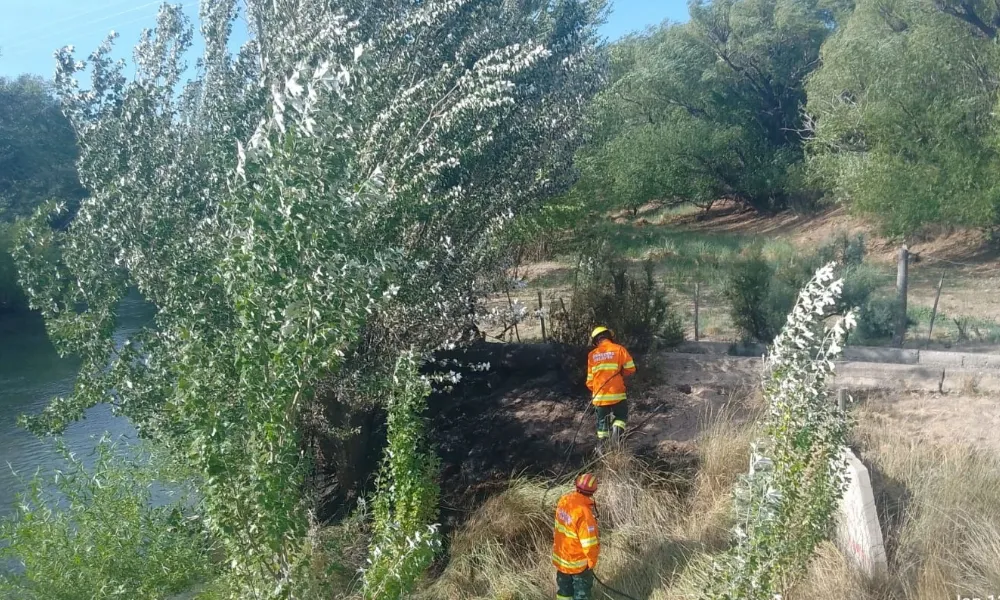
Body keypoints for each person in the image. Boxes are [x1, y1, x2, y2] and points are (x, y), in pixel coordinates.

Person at [553, 473, 600, 600]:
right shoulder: (584, 514)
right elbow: (589, 544)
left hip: (561, 560)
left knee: (564, 592)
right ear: (593, 491)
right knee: (581, 595)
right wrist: (592, 562)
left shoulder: (564, 500)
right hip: (578, 565)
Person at [586, 326, 636, 442]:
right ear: (609, 336)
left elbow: (589, 380)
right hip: (617, 392)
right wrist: (620, 374)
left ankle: (602, 448)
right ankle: (616, 432)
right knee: (621, 416)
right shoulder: (619, 349)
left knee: (602, 423)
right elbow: (631, 369)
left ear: (596, 341)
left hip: (600, 395)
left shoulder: (592, 355)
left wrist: (595, 391)